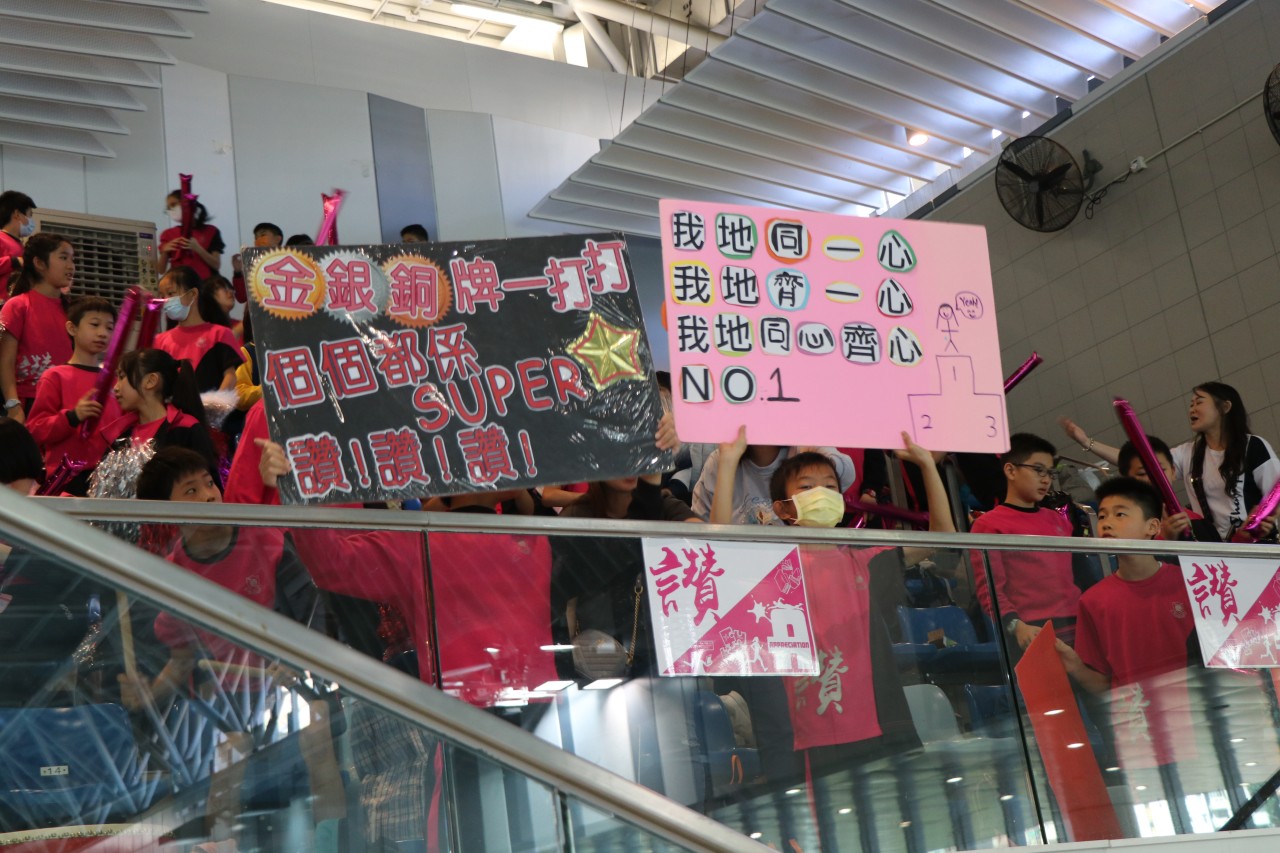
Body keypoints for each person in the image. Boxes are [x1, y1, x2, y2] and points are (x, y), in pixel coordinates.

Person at [773, 434, 953, 784]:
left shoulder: (865, 560)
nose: (821, 494)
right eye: (807, 487)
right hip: (812, 733)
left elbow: (942, 538)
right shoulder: (775, 570)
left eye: (830, 487)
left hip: (881, 724)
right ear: (783, 509)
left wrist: (927, 467)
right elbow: (714, 552)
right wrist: (729, 461)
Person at [1056, 477, 1201, 771]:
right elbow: (1105, 686)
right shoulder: (1093, 601)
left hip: (1198, 732)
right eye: (1103, 516)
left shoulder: (1192, 584)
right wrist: (1075, 667)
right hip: (1138, 741)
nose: (1107, 523)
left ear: (1153, 527)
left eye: (1120, 514)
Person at [1063, 383, 1280, 539]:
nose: (1192, 408)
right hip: (1212, 546)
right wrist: (1087, 442)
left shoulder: (1253, 446)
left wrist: (1256, 524)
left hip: (1256, 542)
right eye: (1191, 404)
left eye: (1199, 402)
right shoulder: (1189, 453)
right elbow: (1141, 461)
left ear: (1225, 407)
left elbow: (1276, 493)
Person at [968, 432, 1080, 649]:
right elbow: (989, 589)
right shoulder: (988, 525)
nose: (1046, 479)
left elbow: (1078, 574)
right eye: (1038, 470)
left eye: (1050, 472)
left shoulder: (1059, 520)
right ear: (1011, 470)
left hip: (1077, 620)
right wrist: (1015, 625)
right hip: (1031, 631)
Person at [26, 297, 121, 494]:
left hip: (110, 478)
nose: (102, 333)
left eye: (109, 328)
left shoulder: (116, 381)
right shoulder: (55, 376)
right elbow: (36, 430)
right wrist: (72, 416)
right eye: (94, 324)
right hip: (67, 479)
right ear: (72, 328)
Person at [696, 430, 854, 525]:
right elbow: (706, 532)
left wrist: (813, 454)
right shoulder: (719, 461)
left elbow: (846, 472)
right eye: (806, 486)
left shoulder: (803, 447)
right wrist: (727, 463)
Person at [104, 348, 219, 478]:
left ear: (151, 381)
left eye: (121, 377)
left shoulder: (185, 429)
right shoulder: (122, 434)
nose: (116, 387)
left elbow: (207, 482)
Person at [0, 234, 74, 421]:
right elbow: (6, 361)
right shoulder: (18, 305)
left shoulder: (73, 310)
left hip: (66, 402)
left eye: (72, 259)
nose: (71, 266)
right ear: (39, 263)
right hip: (29, 401)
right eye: (63, 258)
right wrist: (13, 405)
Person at [154, 266, 242, 393]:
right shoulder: (160, 341)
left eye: (171, 293)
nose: (165, 300)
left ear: (193, 294)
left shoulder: (220, 334)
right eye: (162, 296)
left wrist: (215, 403)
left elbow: (230, 376)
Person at [1116, 436, 1219, 542]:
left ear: (1173, 472)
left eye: (1161, 470)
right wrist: (1166, 539)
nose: (1154, 477)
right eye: (1142, 473)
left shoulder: (1197, 521)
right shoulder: (1120, 526)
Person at [156, 191, 223, 280]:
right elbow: (160, 270)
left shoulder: (211, 231)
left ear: (187, 205)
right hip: (179, 283)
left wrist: (197, 248)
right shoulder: (168, 234)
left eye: (173, 205)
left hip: (205, 283)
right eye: (168, 207)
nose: (171, 209)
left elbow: (216, 265)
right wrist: (165, 250)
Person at [0, 190, 34, 284]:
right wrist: (14, 262)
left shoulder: (20, 245)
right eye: (29, 215)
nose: (31, 220)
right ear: (17, 214)